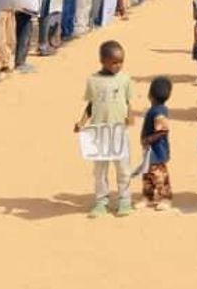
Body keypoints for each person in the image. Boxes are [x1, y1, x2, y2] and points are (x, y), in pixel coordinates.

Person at [72, 40, 134, 218]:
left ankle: (124, 199)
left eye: (121, 61)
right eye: (114, 62)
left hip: (119, 131)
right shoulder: (94, 80)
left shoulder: (125, 80)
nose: (118, 65)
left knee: (123, 167)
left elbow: (128, 102)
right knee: (100, 169)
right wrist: (81, 122)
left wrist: (130, 115)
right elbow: (91, 104)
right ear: (103, 61)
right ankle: (101, 201)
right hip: (99, 131)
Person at [140, 76, 173, 210]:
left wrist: (149, 139)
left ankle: (165, 198)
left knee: (160, 176)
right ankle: (148, 197)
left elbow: (163, 131)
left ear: (150, 94)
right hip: (150, 151)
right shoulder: (155, 109)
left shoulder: (159, 112)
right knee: (148, 174)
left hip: (158, 150)